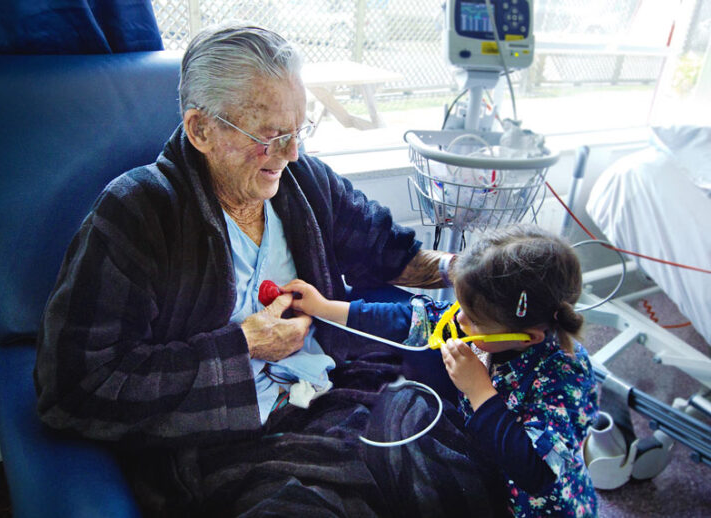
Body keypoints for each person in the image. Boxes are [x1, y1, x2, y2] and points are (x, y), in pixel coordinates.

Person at [33, 23, 508, 517]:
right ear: (201, 130)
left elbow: (393, 252)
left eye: (299, 130)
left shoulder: (304, 182)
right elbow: (75, 389)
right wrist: (243, 345)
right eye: (270, 135)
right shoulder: (138, 214)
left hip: (340, 392)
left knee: (466, 476)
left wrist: (470, 269)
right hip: (228, 437)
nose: (292, 153)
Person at [285, 224, 600, 518]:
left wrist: (480, 392)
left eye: (474, 320)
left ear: (527, 338)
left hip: (524, 504)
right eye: (461, 306)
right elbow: (405, 318)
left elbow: (536, 472)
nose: (460, 321)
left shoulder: (564, 376)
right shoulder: (489, 323)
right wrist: (324, 307)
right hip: (485, 456)